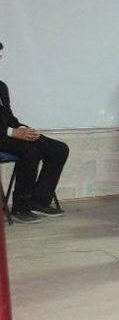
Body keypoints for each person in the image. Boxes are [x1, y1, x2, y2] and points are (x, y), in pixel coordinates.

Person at [0, 42, 68, 223]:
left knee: (58, 149)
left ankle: (38, 201)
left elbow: (9, 118)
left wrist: (23, 129)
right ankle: (20, 207)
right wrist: (11, 132)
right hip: (3, 136)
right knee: (30, 151)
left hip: (8, 133)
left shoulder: (1, 87)